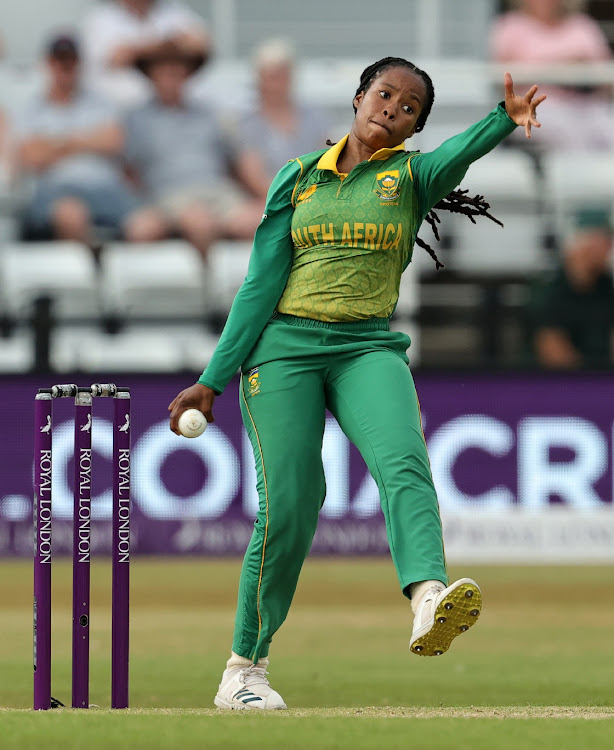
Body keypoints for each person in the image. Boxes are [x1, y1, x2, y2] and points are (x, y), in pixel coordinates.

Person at [168, 57, 545, 710]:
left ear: (412, 128)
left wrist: (502, 121)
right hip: (282, 352)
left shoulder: (414, 175)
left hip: (367, 346)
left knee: (404, 462)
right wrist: (212, 380)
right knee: (291, 505)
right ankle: (244, 672)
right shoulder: (297, 180)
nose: (392, 108)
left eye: (408, 107)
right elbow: (259, 285)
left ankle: (428, 596)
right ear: (358, 97)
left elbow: (457, 153)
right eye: (384, 94)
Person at [122, 45, 265, 258]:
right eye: (164, 71)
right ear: (151, 76)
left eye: (178, 71)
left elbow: (239, 161)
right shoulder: (136, 119)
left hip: (218, 193)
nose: (172, 77)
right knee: (198, 222)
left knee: (261, 221)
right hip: (170, 197)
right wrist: (144, 205)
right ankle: (210, 288)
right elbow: (127, 170)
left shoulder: (211, 114)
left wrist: (266, 195)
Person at [15, 34, 140, 247]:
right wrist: (88, 140)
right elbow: (30, 156)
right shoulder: (32, 109)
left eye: (71, 60)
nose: (66, 66)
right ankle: (95, 271)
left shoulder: (102, 102)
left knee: (145, 223)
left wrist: (57, 143)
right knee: (70, 213)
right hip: (56, 190)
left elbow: (113, 141)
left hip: (106, 189)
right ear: (48, 64)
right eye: (59, 60)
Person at [490, 0, 613, 150]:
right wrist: (559, 67)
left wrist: (582, 71)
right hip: (536, 107)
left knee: (607, 128)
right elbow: (501, 79)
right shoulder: (510, 26)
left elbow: (606, 76)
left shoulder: (582, 25)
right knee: (570, 135)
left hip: (585, 105)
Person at [236, 39, 331, 190]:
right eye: (270, 77)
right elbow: (254, 176)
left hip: (313, 194)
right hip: (272, 198)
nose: (276, 85)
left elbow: (328, 160)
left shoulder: (315, 116)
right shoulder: (247, 123)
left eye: (281, 76)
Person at [81, 0, 211, 107]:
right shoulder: (102, 19)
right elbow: (116, 58)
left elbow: (200, 44)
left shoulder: (172, 11)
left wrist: (136, 50)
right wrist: (166, 44)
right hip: (119, 109)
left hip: (170, 108)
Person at [527, 211, 614, 368]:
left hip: (601, 382)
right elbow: (554, 354)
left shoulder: (606, 287)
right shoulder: (549, 287)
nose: (609, 248)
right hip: (556, 385)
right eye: (605, 240)